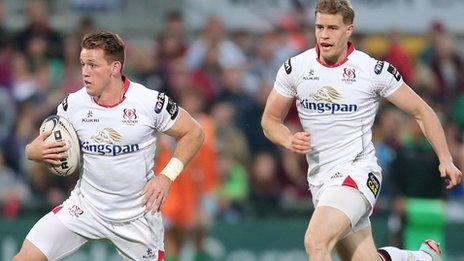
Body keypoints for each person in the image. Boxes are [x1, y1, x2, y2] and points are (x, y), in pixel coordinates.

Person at [261, 1, 462, 261]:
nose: (324, 35)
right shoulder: (295, 68)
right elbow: (269, 120)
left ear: (349, 30)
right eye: (319, 27)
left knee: (315, 241)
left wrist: (445, 158)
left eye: (332, 28)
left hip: (357, 172)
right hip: (320, 180)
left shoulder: (371, 70)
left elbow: (422, 111)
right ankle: (421, 258)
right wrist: (287, 139)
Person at [14, 31, 204, 261]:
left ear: (115, 68)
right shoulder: (72, 105)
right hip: (85, 209)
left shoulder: (149, 103)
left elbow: (194, 132)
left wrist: (166, 177)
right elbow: (52, 146)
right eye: (83, 63)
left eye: (93, 65)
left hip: (137, 216)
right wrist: (31, 152)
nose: (85, 72)